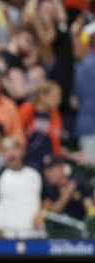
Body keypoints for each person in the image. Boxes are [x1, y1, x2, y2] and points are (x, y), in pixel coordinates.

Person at [0, 137, 44, 238]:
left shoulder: (36, 173)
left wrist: (41, 215)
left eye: (15, 149)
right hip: (6, 234)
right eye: (6, 150)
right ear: (1, 153)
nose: (11, 154)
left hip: (34, 233)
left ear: (23, 151)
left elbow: (47, 199)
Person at [42, 154, 94, 222]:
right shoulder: (47, 190)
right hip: (58, 230)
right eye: (45, 170)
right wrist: (66, 195)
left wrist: (90, 209)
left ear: (63, 168)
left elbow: (90, 209)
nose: (48, 173)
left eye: (51, 169)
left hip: (79, 229)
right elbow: (49, 214)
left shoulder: (79, 185)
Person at [74, 26, 95, 162]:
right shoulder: (82, 67)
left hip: (86, 125)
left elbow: (74, 101)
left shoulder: (80, 68)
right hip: (89, 127)